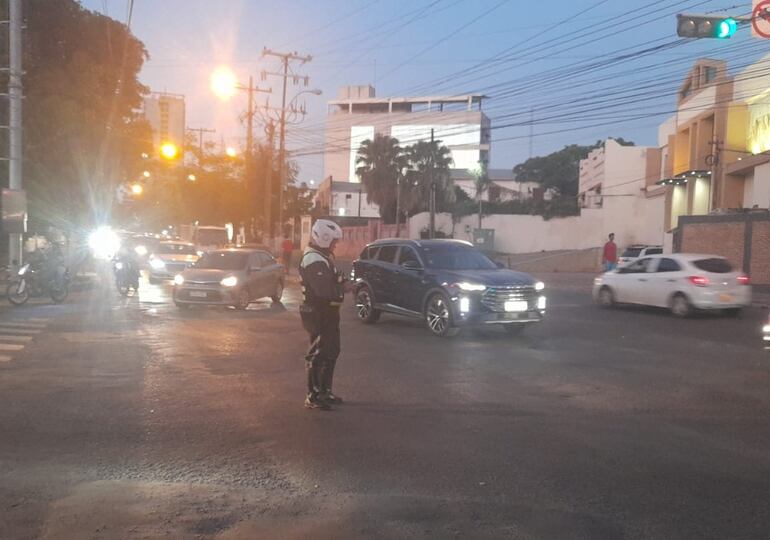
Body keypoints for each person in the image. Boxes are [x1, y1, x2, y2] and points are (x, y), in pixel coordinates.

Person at [299, 219, 345, 410]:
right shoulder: (314, 259)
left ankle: (325, 391)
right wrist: (343, 288)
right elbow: (324, 290)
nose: (336, 244)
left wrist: (341, 283)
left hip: (328, 312)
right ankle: (313, 395)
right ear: (325, 238)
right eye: (334, 241)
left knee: (331, 350)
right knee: (318, 352)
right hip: (318, 311)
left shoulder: (322, 256)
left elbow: (332, 282)